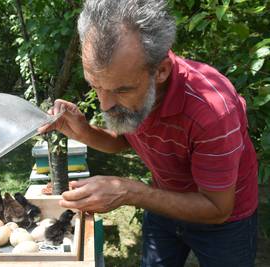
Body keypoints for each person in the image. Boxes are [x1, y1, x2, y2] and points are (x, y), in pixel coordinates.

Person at [39, 0, 258, 266]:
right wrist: (82, 131)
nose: (105, 104)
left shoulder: (213, 111)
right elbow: (122, 142)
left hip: (223, 224)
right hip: (162, 205)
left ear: (161, 71)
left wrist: (130, 192)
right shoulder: (134, 79)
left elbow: (217, 209)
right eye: (95, 85)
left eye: (121, 90)